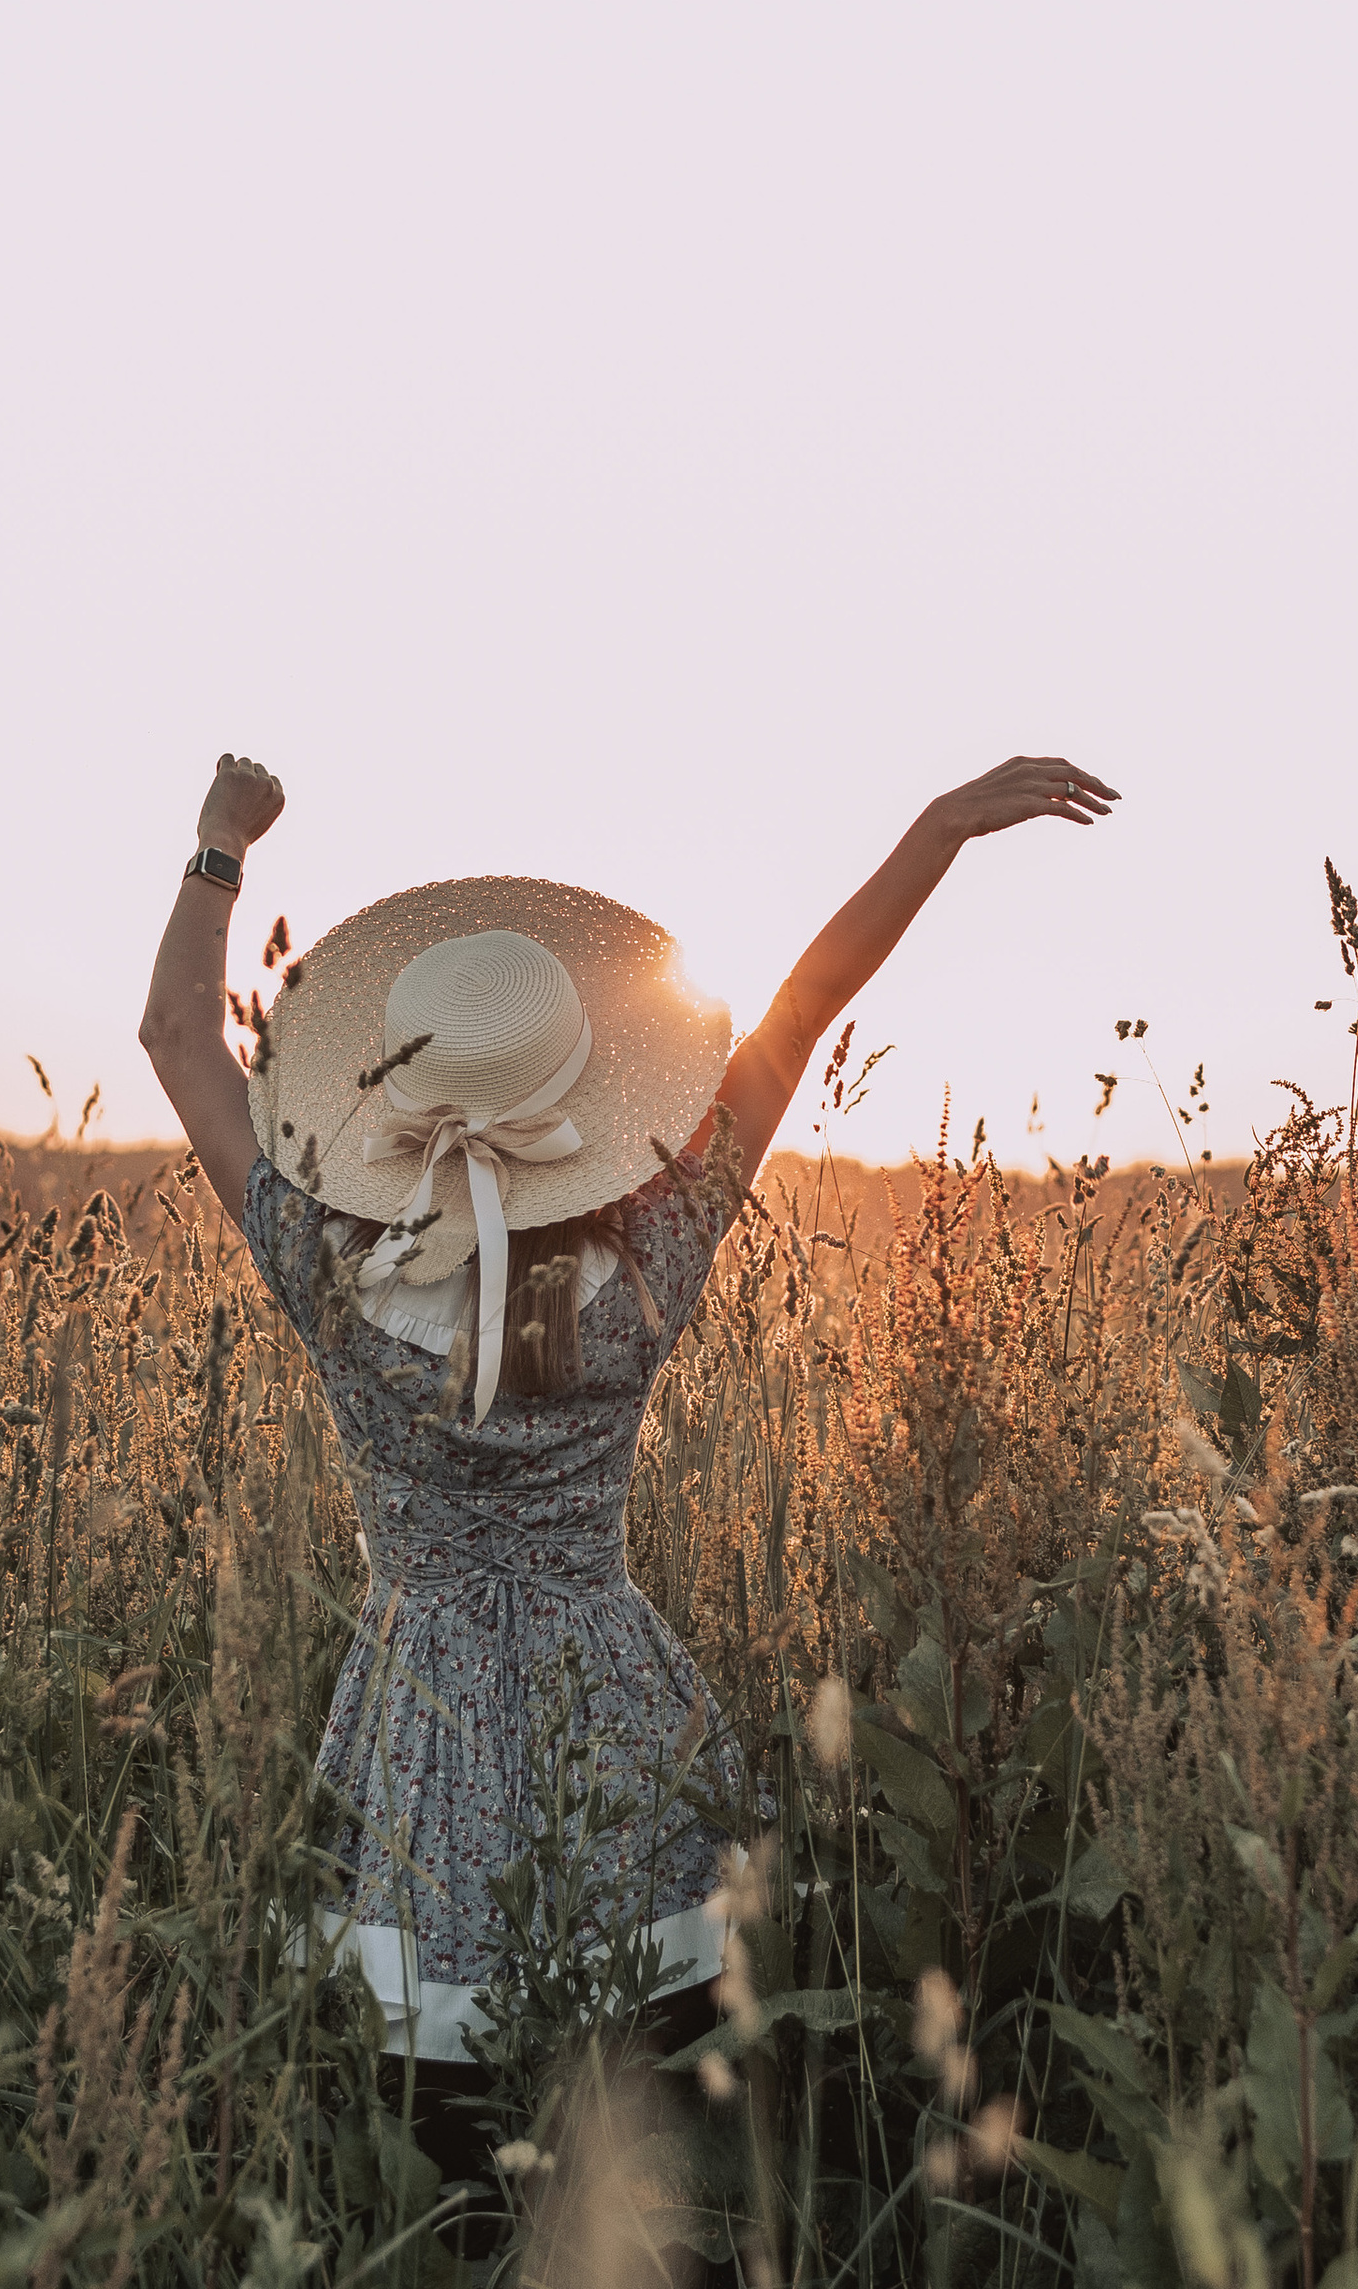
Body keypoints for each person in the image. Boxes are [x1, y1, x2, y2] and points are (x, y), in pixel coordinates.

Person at [137, 749, 1118, 2086]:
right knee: (657, 2094)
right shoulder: (654, 1245)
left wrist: (221, 843)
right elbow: (803, 1015)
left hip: (413, 1729)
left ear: (392, 1091)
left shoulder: (325, 1259)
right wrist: (939, 828)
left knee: (433, 2108)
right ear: (577, 1095)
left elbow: (176, 1036)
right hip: (617, 1717)